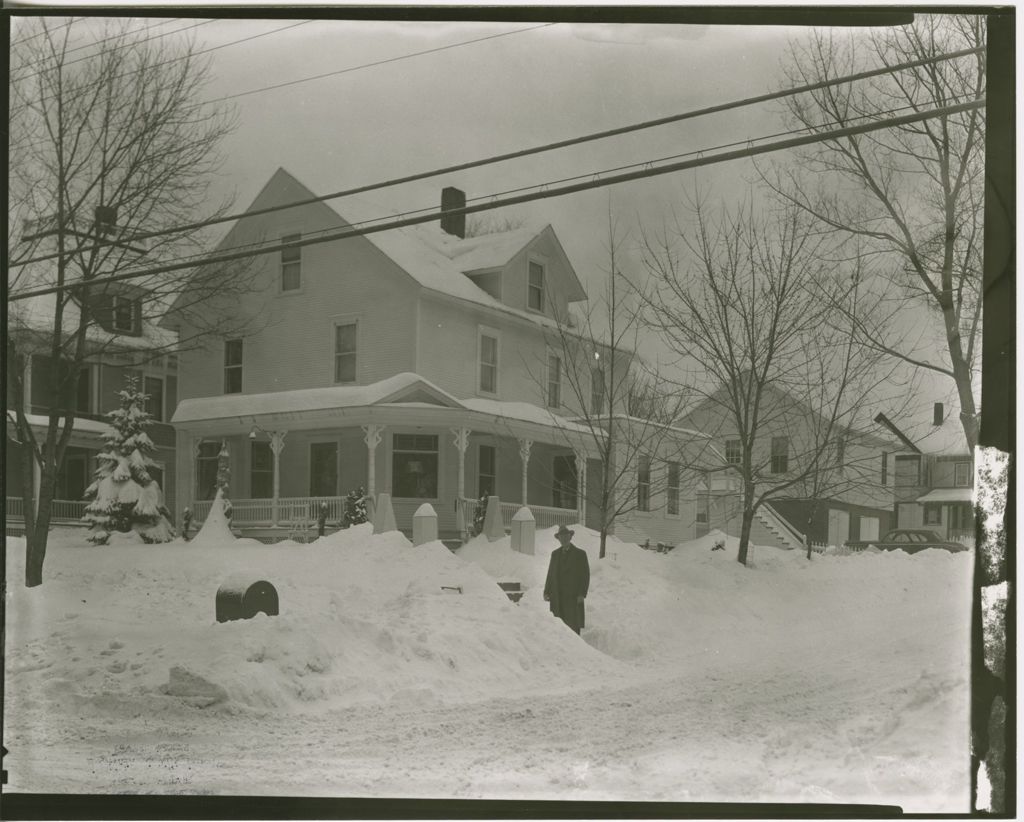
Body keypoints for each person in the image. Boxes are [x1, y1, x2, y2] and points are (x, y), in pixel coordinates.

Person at [543, 525, 590, 634]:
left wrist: (581, 594)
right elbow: (550, 574)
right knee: (558, 627)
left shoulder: (580, 554)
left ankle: (576, 650)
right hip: (557, 597)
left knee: (573, 626)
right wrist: (546, 591)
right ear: (558, 539)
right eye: (561, 537)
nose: (563, 539)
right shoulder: (555, 554)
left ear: (570, 537)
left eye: (566, 536)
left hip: (573, 597)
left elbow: (585, 576)